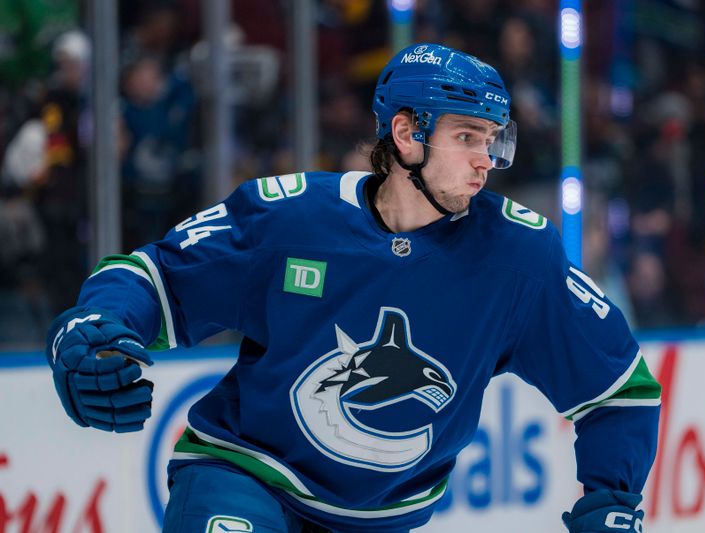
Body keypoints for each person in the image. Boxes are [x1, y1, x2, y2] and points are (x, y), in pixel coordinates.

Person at [45, 43, 661, 533]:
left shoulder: (520, 258)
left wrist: (612, 500)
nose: (486, 160)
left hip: (379, 516)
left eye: (494, 139)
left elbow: (619, 387)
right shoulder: (290, 217)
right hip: (246, 472)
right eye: (467, 137)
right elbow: (157, 274)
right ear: (406, 134)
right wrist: (96, 325)